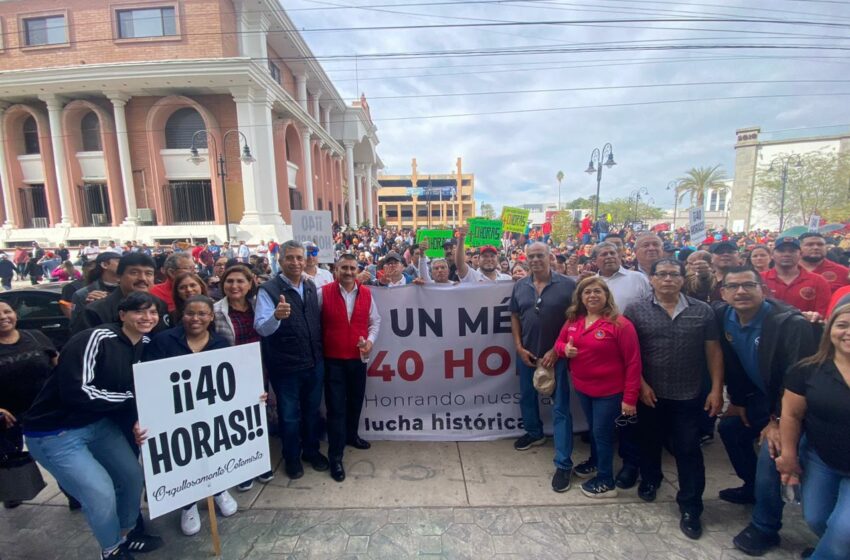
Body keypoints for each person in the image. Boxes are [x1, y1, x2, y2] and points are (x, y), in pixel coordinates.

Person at [23, 292, 164, 559]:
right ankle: (111, 550)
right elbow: (79, 391)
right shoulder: (96, 338)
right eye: (140, 312)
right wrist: (133, 399)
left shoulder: (145, 343)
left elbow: (147, 386)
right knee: (100, 493)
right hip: (55, 432)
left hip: (98, 425)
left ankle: (124, 535)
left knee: (133, 478)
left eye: (153, 312)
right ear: (123, 315)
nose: (147, 318)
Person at [714, 266, 818, 556]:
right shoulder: (724, 316)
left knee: (770, 451)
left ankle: (765, 526)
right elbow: (734, 365)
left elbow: (799, 380)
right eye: (733, 287)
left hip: (796, 406)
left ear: (763, 289)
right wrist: (738, 400)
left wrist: (777, 422)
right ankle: (752, 488)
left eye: (748, 285)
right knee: (730, 429)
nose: (741, 291)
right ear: (723, 293)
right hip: (760, 398)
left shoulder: (789, 323)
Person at [624, 258, 724, 540]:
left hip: (689, 395)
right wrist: (640, 385)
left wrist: (717, 389)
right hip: (650, 394)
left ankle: (691, 506)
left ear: (683, 278)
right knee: (649, 442)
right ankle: (650, 480)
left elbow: (714, 352)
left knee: (688, 450)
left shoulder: (702, 311)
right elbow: (630, 354)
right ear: (652, 279)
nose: (668, 279)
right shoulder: (636, 310)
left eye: (674, 275)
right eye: (662, 275)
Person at [144, 295, 237, 536]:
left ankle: (218, 490)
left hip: (210, 413)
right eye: (190, 313)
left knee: (213, 452)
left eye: (202, 314)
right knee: (184, 459)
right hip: (173, 415)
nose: (195, 319)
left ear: (210, 317)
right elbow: (149, 381)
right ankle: (188, 504)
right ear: (181, 315)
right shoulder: (163, 341)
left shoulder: (220, 344)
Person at [554, 277, 640, 498]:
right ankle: (595, 462)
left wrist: (630, 398)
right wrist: (565, 350)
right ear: (580, 297)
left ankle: (605, 480)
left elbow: (633, 362)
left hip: (610, 392)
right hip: (584, 389)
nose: (592, 295)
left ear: (606, 295)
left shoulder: (620, 324)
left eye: (597, 291)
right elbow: (559, 344)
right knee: (594, 430)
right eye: (587, 292)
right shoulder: (574, 320)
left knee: (602, 434)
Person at [776, 303, 850, 560]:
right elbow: (791, 415)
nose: (848, 332)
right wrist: (788, 456)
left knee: (843, 531)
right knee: (817, 518)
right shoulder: (806, 370)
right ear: (829, 330)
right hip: (823, 459)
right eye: (842, 325)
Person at [254, 240, 328, 479]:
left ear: (306, 260)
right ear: (280, 260)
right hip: (285, 367)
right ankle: (292, 457)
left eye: (300, 258)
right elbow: (261, 328)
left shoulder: (309, 285)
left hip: (313, 362)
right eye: (290, 258)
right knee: (289, 416)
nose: (296, 263)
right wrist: (276, 316)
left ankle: (311, 451)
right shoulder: (268, 290)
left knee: (311, 411)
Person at [509, 242, 576, 492]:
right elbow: (515, 316)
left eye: (540, 255)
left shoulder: (569, 285)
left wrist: (557, 350)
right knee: (527, 397)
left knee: (560, 409)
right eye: (531, 256)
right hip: (527, 355)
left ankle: (563, 463)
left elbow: (575, 321)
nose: (536, 260)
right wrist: (518, 346)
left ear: (550, 257)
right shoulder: (520, 285)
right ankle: (535, 433)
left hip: (556, 358)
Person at [593, 241, 651, 488]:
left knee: (631, 414)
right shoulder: (591, 284)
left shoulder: (638, 279)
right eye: (603, 254)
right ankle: (599, 460)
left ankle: (631, 465)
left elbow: (652, 309)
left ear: (620, 255)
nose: (608, 257)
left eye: (612, 253)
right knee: (604, 419)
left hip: (633, 351)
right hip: (600, 360)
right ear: (595, 260)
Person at [211, 265, 274, 491]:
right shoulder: (215, 310)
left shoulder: (260, 305)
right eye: (230, 281)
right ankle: (242, 468)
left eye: (240, 281)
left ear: (250, 284)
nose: (235, 286)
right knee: (236, 420)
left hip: (259, 368)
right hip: (230, 374)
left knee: (258, 415)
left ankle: (259, 460)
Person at [319, 253, 381, 482]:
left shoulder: (366, 293)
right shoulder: (322, 293)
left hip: (358, 358)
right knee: (336, 408)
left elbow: (376, 321)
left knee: (356, 401)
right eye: (343, 267)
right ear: (336, 269)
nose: (348, 272)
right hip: (332, 359)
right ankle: (335, 456)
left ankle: (352, 435)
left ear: (357, 270)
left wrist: (371, 341)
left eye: (352, 268)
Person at [0, 301, 58, 508]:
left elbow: (57, 365)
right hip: (9, 417)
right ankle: (12, 492)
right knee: (10, 460)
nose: (3, 317)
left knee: (58, 455)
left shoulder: (35, 336)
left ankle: (73, 494)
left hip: (46, 409)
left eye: (7, 311)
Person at [73, 254, 170, 335]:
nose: (143, 278)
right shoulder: (95, 311)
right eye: (134, 272)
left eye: (149, 273)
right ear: (119, 277)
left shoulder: (160, 305)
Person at [761, 237, 831, 318]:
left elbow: (823, 315)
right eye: (781, 251)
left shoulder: (818, 281)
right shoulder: (759, 278)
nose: (786, 254)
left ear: (800, 254)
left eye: (792, 251)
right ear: (772, 255)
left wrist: (815, 316)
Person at [70, 252, 122, 323]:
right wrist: (89, 307)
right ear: (105, 265)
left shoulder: (130, 290)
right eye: (119, 262)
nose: (123, 265)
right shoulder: (82, 294)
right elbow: (75, 324)